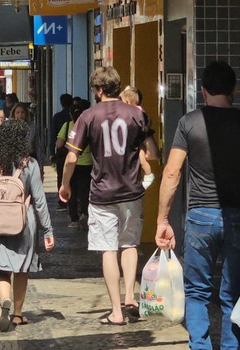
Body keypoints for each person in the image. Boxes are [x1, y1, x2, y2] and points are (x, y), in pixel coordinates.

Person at [155, 61, 240, 349]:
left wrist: (162, 219)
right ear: (234, 90)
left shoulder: (189, 123)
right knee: (233, 292)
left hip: (200, 217)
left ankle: (200, 346)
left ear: (203, 91)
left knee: (196, 291)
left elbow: (172, 173)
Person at [59, 66, 146, 325]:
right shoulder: (137, 114)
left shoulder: (87, 116)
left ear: (97, 90)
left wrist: (65, 185)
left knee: (108, 249)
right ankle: (130, 295)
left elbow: (72, 156)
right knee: (129, 244)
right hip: (132, 190)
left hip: (102, 192)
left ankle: (116, 312)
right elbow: (149, 150)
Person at [0, 119, 55, 332]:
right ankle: (18, 314)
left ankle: (5, 300)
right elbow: (39, 200)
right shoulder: (30, 164)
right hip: (23, 223)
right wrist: (48, 229)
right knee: (21, 269)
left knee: (1, 269)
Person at [55, 99, 92, 229]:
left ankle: (74, 219)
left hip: (72, 164)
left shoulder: (67, 125)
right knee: (85, 192)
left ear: (70, 114)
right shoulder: (88, 125)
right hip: (87, 164)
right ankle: (86, 215)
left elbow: (59, 144)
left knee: (72, 192)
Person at [120, 86, 156, 189]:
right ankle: (148, 175)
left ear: (128, 102)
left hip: (139, 141)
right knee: (140, 159)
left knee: (141, 159)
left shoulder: (134, 112)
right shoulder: (140, 110)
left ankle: (149, 175)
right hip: (140, 140)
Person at [50, 93, 73, 211]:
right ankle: (72, 200)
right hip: (74, 151)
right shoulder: (73, 117)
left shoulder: (57, 117)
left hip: (62, 152)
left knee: (61, 175)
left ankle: (63, 200)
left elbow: (53, 135)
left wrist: (51, 152)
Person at [10, 102, 44, 175]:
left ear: (26, 114)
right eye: (18, 112)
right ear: (14, 114)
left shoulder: (32, 127)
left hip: (30, 160)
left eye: (22, 112)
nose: (20, 115)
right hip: (15, 162)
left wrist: (41, 166)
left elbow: (38, 147)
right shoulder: (10, 127)